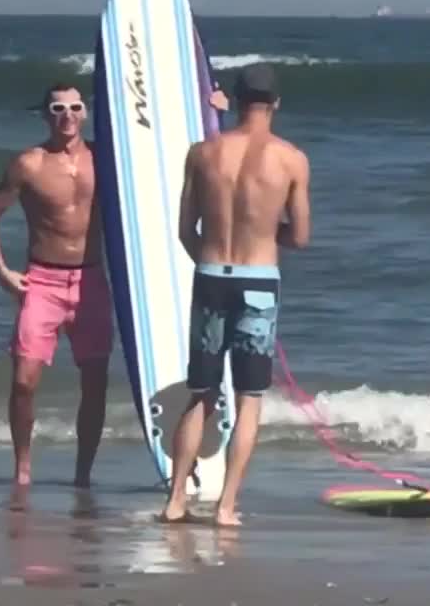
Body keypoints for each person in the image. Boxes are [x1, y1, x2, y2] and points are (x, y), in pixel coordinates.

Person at [159, 63, 311, 527]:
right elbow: (301, 236)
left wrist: (208, 256)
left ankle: (177, 501)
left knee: (200, 394)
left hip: (210, 275)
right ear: (277, 103)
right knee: (249, 398)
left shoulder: (203, 153)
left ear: (237, 101)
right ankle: (225, 507)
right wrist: (266, 233)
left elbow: (186, 229)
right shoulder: (291, 159)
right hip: (259, 280)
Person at [0, 83, 113, 490]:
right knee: (23, 381)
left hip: (91, 280)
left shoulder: (106, 160)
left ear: (85, 113)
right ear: (45, 114)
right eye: (58, 108)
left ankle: (82, 475)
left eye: (74, 107)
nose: (67, 115)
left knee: (95, 382)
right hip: (42, 281)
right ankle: (22, 470)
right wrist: (2, 270)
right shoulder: (29, 164)